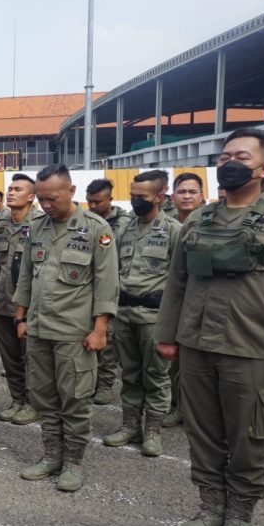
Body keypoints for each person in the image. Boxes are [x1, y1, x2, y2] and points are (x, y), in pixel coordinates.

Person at [156, 128, 264, 526]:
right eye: (225, 154)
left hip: (251, 348)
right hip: (195, 345)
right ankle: (210, 508)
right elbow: (176, 283)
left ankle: (240, 516)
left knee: (247, 438)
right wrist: (168, 335)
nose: (230, 162)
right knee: (203, 434)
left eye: (241, 156)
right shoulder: (198, 219)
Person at [14, 164, 119, 491]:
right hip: (39, 329)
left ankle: (72, 462)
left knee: (74, 399)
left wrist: (100, 329)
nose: (46, 205)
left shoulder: (95, 229)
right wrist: (20, 317)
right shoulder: (37, 227)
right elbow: (26, 275)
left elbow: (106, 282)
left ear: (72, 192)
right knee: (44, 397)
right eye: (41, 199)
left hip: (75, 333)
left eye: (52, 199)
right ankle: (51, 456)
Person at [102, 170, 180, 457]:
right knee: (131, 374)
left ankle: (153, 431)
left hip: (155, 316)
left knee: (157, 376)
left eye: (142, 197)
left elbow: (180, 280)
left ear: (160, 197)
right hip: (125, 313)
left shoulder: (173, 230)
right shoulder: (125, 229)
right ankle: (130, 426)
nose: (136, 201)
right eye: (133, 195)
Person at [0, 174, 41, 426]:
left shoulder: (41, 225)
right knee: (9, 357)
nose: (11, 192)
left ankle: (33, 403)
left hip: (29, 307)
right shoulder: (0, 225)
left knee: (32, 357)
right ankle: (17, 399)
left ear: (31, 196)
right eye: (10, 188)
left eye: (17, 189)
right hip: (3, 303)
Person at [163, 172, 206, 427]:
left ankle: (193, 409)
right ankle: (175, 405)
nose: (187, 196)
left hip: (201, 302)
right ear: (173, 196)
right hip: (172, 300)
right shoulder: (164, 225)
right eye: (182, 191)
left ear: (202, 196)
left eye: (192, 192)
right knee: (172, 362)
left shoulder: (209, 224)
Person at [85, 178, 127, 405]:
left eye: (97, 202)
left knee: (107, 340)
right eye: (89, 201)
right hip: (87, 285)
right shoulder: (85, 221)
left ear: (110, 199)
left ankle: (106, 385)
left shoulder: (124, 222)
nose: (92, 206)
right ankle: (91, 382)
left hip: (113, 286)